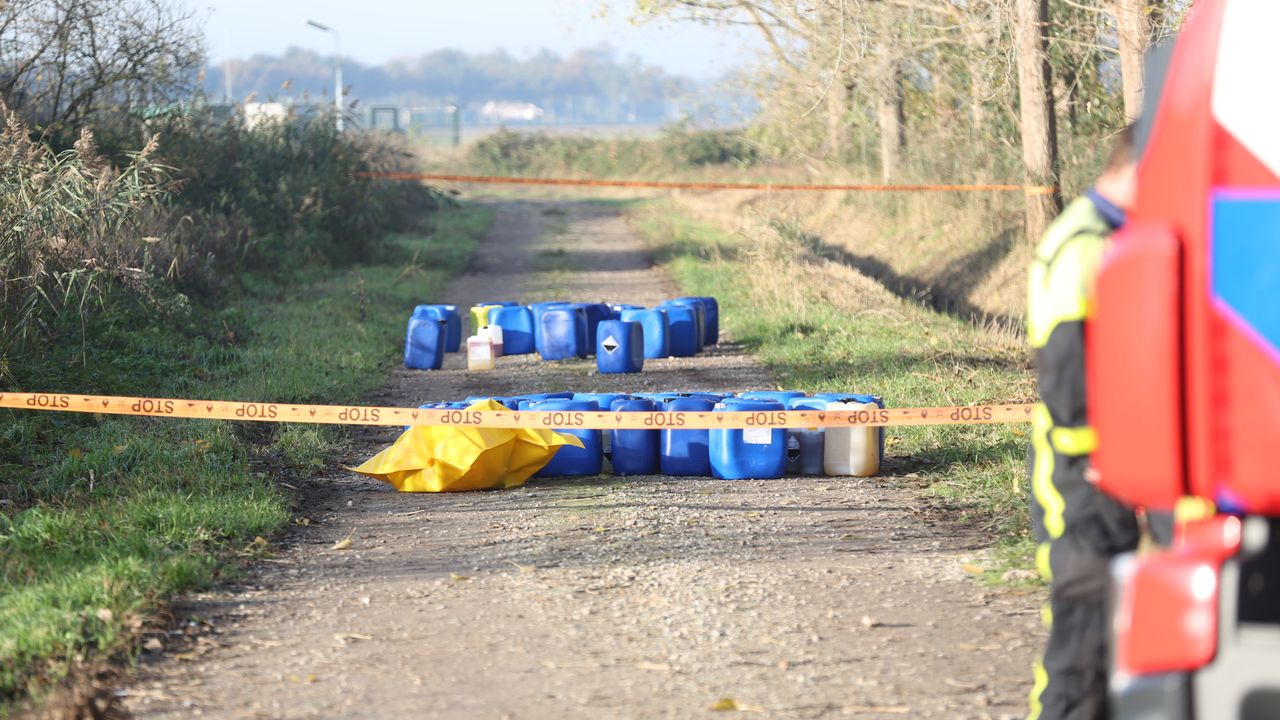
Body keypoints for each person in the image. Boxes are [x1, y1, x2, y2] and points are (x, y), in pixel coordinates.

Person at [1025, 124, 1139, 720]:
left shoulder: (1103, 232)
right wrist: (1097, 460)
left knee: (1108, 635)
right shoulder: (1088, 243)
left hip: (1097, 467)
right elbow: (1069, 369)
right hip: (1080, 473)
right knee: (1084, 640)